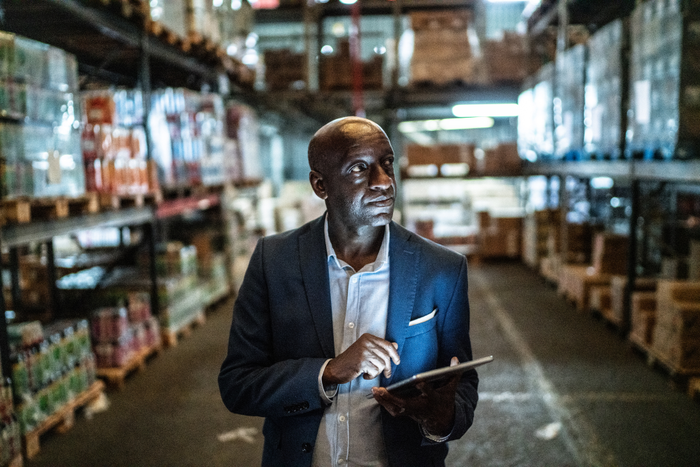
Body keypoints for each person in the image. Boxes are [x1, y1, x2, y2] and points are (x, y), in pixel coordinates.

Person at [219, 116, 479, 467]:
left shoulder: (441, 269)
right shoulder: (274, 262)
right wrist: (328, 372)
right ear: (320, 185)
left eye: (387, 165)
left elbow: (461, 383)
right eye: (359, 168)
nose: (383, 182)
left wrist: (441, 419)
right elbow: (238, 384)